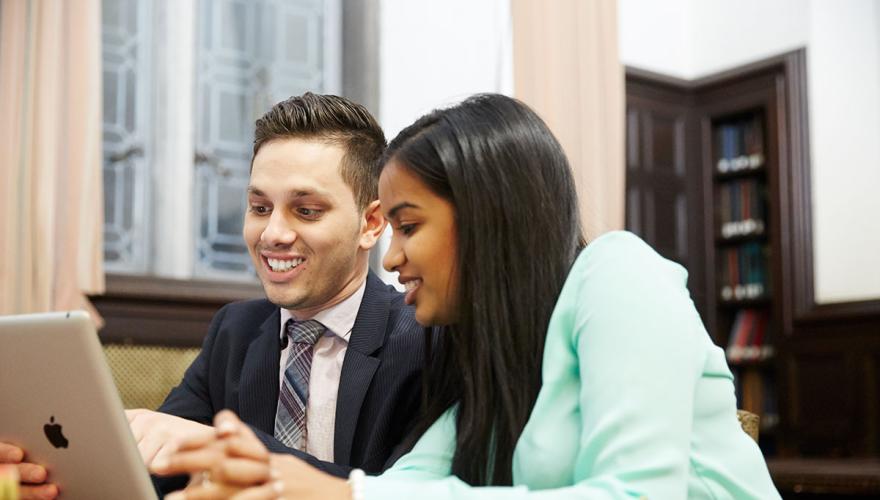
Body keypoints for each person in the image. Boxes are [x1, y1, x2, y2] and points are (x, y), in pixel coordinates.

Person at [152, 93, 782, 499]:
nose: (392, 257)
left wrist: (320, 489)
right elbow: (412, 482)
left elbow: (635, 495)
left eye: (408, 226)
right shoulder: (492, 349)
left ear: (486, 218)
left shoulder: (619, 273)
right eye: (259, 206)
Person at [0, 93, 427, 499]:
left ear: (371, 224)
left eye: (306, 211)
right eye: (260, 208)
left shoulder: (423, 341)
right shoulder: (235, 331)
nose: (273, 234)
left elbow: (410, 492)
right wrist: (48, 477)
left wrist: (228, 451)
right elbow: (158, 473)